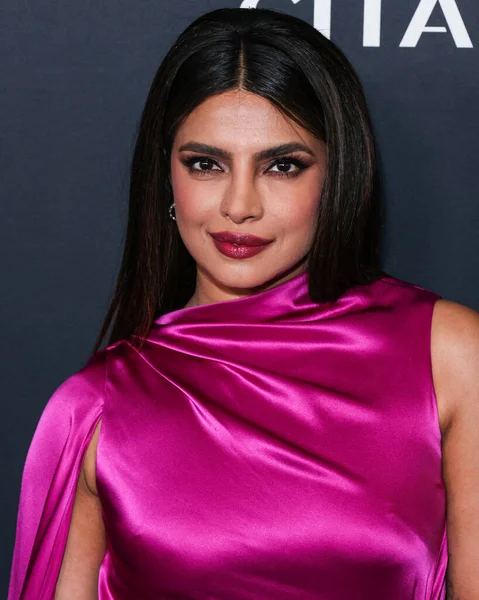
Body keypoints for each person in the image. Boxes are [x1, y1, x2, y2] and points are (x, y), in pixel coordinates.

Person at [8, 6, 479, 600]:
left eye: (282, 166)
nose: (239, 205)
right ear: (167, 178)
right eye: (206, 164)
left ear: (337, 176)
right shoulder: (96, 407)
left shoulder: (450, 356)